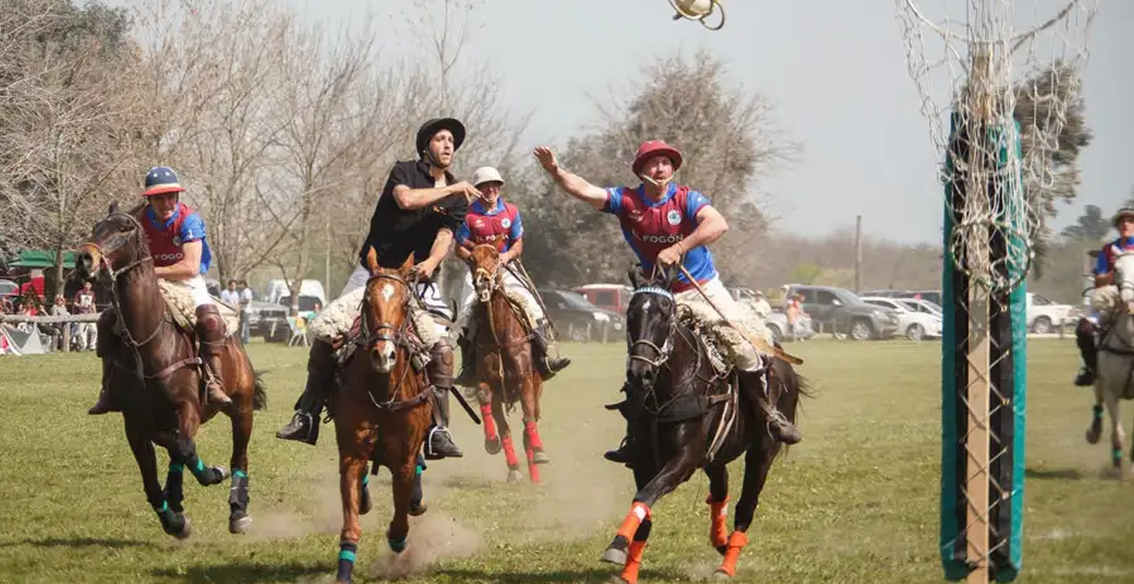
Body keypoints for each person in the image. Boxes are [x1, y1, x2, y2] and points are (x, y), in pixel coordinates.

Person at [534, 140, 802, 464]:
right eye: (653, 163)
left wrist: (680, 247)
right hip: (660, 294)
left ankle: (768, 414)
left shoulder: (686, 199)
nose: (660, 168)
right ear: (641, 170)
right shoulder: (628, 201)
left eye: (665, 163)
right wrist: (555, 171)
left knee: (743, 347)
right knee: (641, 359)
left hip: (701, 287)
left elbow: (717, 223)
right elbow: (586, 191)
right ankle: (635, 436)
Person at [275, 117, 478, 458]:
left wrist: (430, 264)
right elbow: (406, 201)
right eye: (441, 139)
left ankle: (439, 430)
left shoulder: (458, 197)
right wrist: (451, 188)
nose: (448, 145)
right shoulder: (404, 172)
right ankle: (307, 413)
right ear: (425, 146)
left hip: (415, 280)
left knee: (441, 347)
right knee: (329, 331)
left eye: (452, 142)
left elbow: (445, 236)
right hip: (372, 273)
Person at [88, 166, 232, 414]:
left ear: (177, 196)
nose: (166, 203)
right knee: (107, 321)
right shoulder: (139, 221)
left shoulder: (189, 220)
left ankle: (214, 383)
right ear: (149, 199)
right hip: (149, 281)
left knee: (210, 320)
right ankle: (109, 389)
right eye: (159, 197)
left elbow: (190, 266)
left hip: (186, 280)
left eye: (170, 196)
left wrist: (150, 273)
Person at [453, 165, 570, 386]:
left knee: (532, 306)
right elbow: (459, 248)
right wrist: (476, 259)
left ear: (499, 187)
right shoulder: (469, 215)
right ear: (478, 189)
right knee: (467, 312)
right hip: (477, 270)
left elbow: (518, 243)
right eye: (485, 186)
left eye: (494, 186)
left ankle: (544, 359)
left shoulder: (511, 212)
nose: (490, 190)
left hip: (506, 268)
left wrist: (507, 257)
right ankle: (468, 368)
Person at [1074, 207, 1134, 387]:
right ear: (1117, 226)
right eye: (1122, 221)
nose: (1125, 224)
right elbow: (1099, 280)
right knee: (1084, 329)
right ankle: (1092, 370)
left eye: (1130, 220)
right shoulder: (1108, 250)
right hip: (1111, 300)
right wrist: (1113, 275)